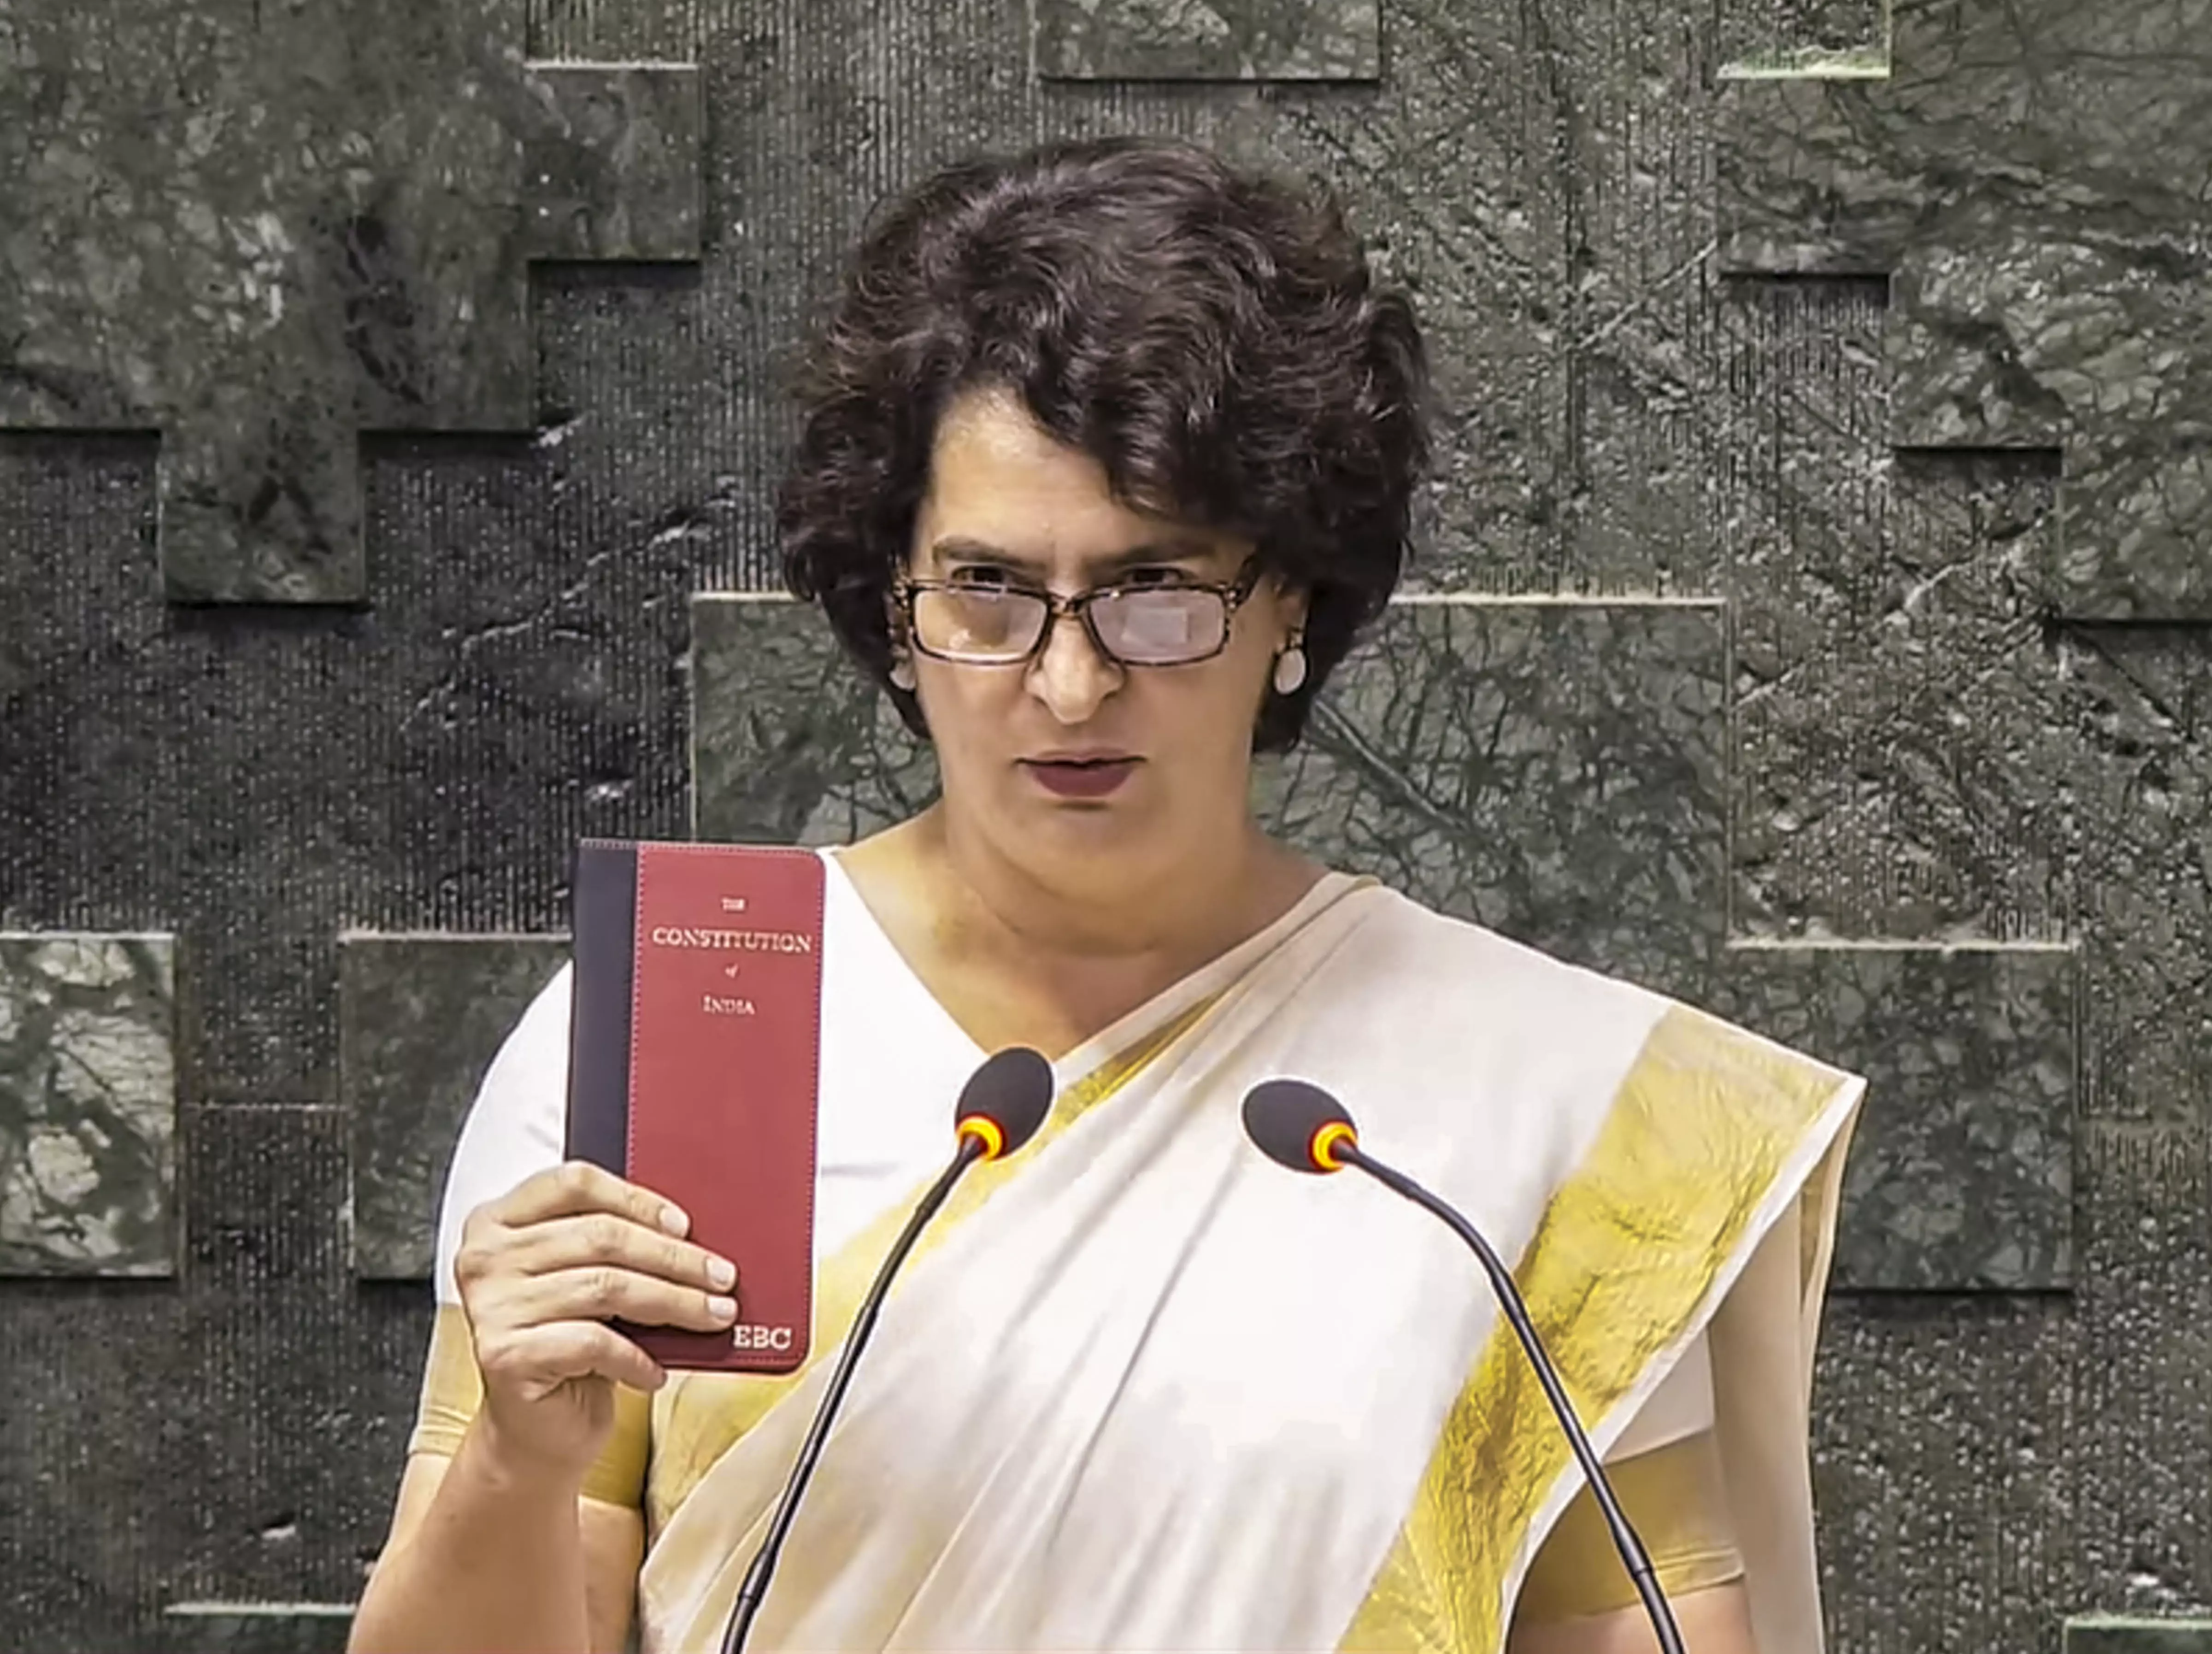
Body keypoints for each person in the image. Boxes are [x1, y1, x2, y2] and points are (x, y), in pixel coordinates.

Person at [349, 135, 1862, 1654]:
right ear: (893, 610)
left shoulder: (1553, 1112)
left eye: (1154, 593)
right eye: (989, 592)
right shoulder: (684, 1027)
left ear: (1294, 604)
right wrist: (513, 1462)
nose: (1069, 685)